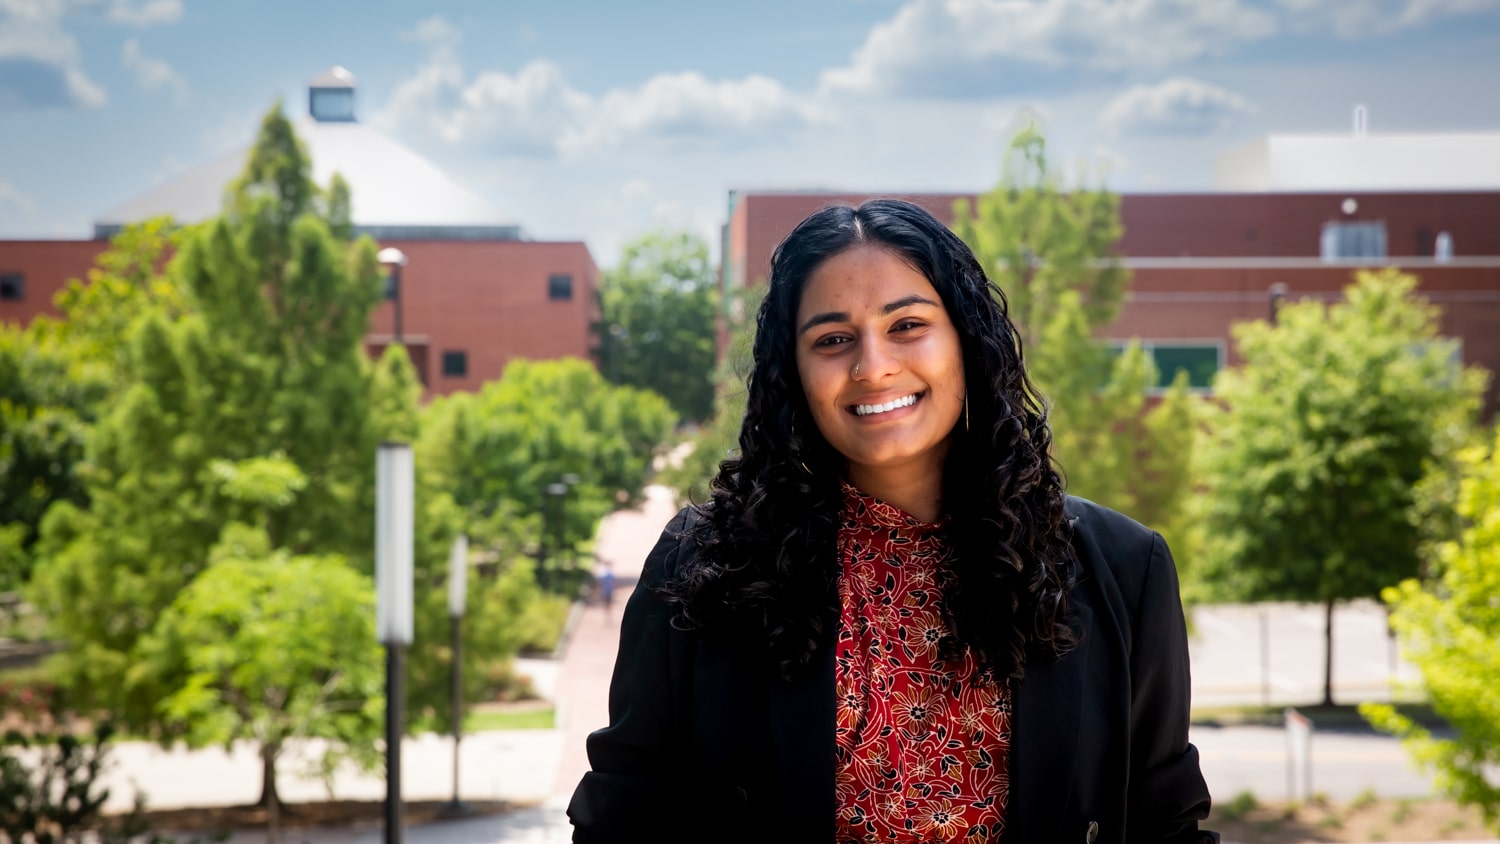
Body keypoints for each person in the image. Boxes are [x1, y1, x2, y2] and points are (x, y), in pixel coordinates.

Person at [567, 199, 1216, 844]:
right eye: (832, 339)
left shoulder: (1124, 570)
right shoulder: (702, 566)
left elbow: (1166, 824)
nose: (872, 365)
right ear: (791, 372)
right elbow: (622, 820)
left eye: (906, 325)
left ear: (967, 340)